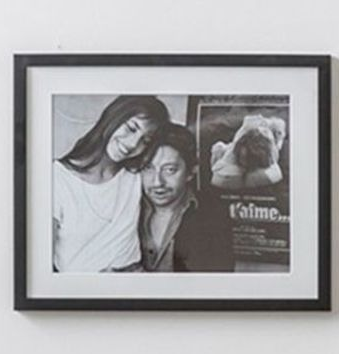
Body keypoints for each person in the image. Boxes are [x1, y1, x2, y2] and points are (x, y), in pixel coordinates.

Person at [52, 94, 169, 272]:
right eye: (131, 128)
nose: (132, 144)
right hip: (80, 291)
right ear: (113, 117)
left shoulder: (135, 174)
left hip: (134, 284)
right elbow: (39, 267)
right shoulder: (57, 178)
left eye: (145, 140)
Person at [139, 124, 234, 273]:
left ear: (191, 171)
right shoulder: (126, 206)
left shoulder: (214, 215)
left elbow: (216, 285)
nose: (157, 182)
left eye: (170, 170)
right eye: (148, 169)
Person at [209, 114, 287, 191]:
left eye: (247, 159)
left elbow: (280, 125)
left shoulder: (271, 154)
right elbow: (217, 178)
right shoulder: (230, 153)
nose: (243, 162)